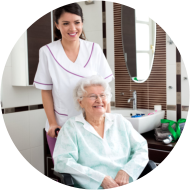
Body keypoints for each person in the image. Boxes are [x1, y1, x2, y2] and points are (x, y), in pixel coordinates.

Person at [33, 3, 114, 161]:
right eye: (65, 23)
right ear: (57, 25)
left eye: (77, 22)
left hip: (93, 126)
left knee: (93, 174)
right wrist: (52, 123)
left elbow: (105, 91)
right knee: (66, 174)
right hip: (62, 126)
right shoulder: (47, 52)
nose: (72, 28)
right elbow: (46, 91)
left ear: (82, 23)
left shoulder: (94, 49)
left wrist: (108, 121)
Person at [53, 75, 149, 190]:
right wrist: (100, 179)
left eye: (102, 95)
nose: (99, 100)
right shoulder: (71, 127)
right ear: (80, 102)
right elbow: (63, 162)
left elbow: (141, 148)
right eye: (92, 96)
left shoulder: (120, 121)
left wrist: (127, 171)